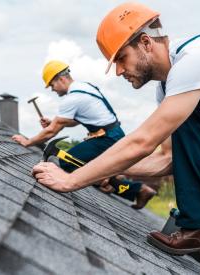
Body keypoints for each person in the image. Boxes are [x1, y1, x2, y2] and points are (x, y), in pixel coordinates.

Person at [32, 2, 200, 256]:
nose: (119, 71)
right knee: (189, 121)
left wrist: (70, 180)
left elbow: (142, 142)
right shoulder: (170, 89)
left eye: (122, 58)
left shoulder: (194, 60)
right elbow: (167, 159)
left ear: (146, 42)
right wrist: (95, 171)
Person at [12, 60, 156, 208]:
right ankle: (129, 187)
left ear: (61, 79)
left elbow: (51, 131)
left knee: (67, 161)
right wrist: (54, 123)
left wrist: (27, 142)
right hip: (111, 135)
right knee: (94, 169)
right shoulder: (85, 88)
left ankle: (120, 184)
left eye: (52, 85)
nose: (52, 90)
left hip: (106, 138)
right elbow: (76, 120)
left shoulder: (73, 98)